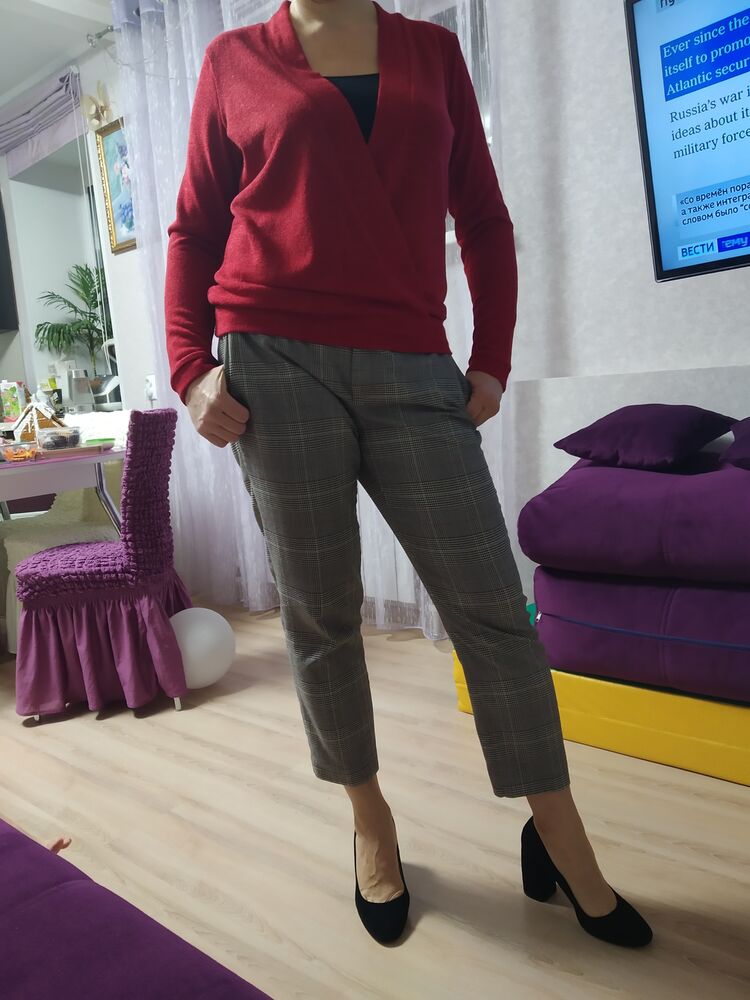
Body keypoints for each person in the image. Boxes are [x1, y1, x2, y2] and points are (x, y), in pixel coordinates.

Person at [165, 0, 652, 948]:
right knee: (321, 613)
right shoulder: (232, 61)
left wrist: (492, 360)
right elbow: (192, 230)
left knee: (493, 611)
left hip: (412, 361)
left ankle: (561, 837)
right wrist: (189, 370)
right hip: (272, 360)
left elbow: (485, 218)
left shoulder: (434, 52)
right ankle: (372, 823)